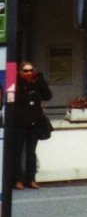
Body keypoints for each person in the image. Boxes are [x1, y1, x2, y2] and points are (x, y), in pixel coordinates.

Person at [10, 61, 52, 190]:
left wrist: (40, 81)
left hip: (34, 123)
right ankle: (17, 179)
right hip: (19, 123)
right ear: (20, 72)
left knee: (31, 152)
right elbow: (12, 99)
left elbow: (48, 96)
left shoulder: (37, 83)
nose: (29, 73)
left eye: (31, 71)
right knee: (17, 152)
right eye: (25, 71)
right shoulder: (16, 84)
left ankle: (31, 178)